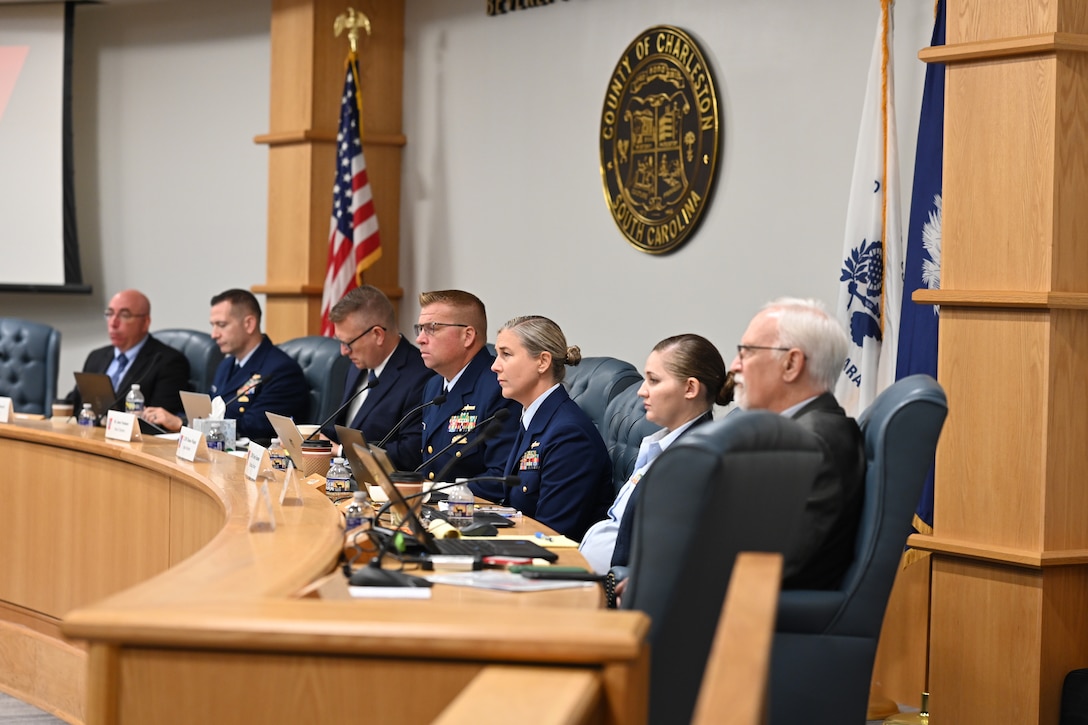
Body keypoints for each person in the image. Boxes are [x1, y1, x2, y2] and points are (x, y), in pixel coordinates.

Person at [729, 297, 865, 590]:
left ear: (791, 363)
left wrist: (673, 579)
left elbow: (772, 563)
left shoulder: (812, 443)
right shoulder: (802, 433)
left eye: (747, 352)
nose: (734, 366)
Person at [580, 334, 732, 573]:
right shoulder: (661, 445)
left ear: (690, 388)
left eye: (653, 380)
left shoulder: (690, 461)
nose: (641, 391)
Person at [478, 315, 612, 541]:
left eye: (506, 354)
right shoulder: (534, 418)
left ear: (542, 362)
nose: (494, 366)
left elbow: (552, 533)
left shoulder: (568, 434)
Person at [143, 289, 307, 442]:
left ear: (249, 324)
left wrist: (182, 423)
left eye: (221, 325)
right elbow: (210, 413)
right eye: (212, 325)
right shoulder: (226, 364)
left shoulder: (281, 370)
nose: (214, 335)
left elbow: (255, 427)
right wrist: (176, 419)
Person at [321, 285, 431, 471]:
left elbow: (410, 452)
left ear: (378, 335)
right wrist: (311, 438)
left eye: (348, 343)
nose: (343, 351)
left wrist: (341, 452)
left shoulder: (421, 375)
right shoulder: (357, 366)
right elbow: (345, 428)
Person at [416, 290, 519, 483]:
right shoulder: (434, 385)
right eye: (420, 329)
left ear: (468, 336)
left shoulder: (499, 387)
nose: (420, 339)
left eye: (432, 328)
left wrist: (439, 495)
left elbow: (500, 477)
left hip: (468, 508)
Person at [65, 289, 189, 415]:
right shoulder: (96, 357)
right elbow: (75, 402)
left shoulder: (167, 362)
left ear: (145, 322)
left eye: (124, 315)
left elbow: (160, 419)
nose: (113, 323)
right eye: (110, 314)